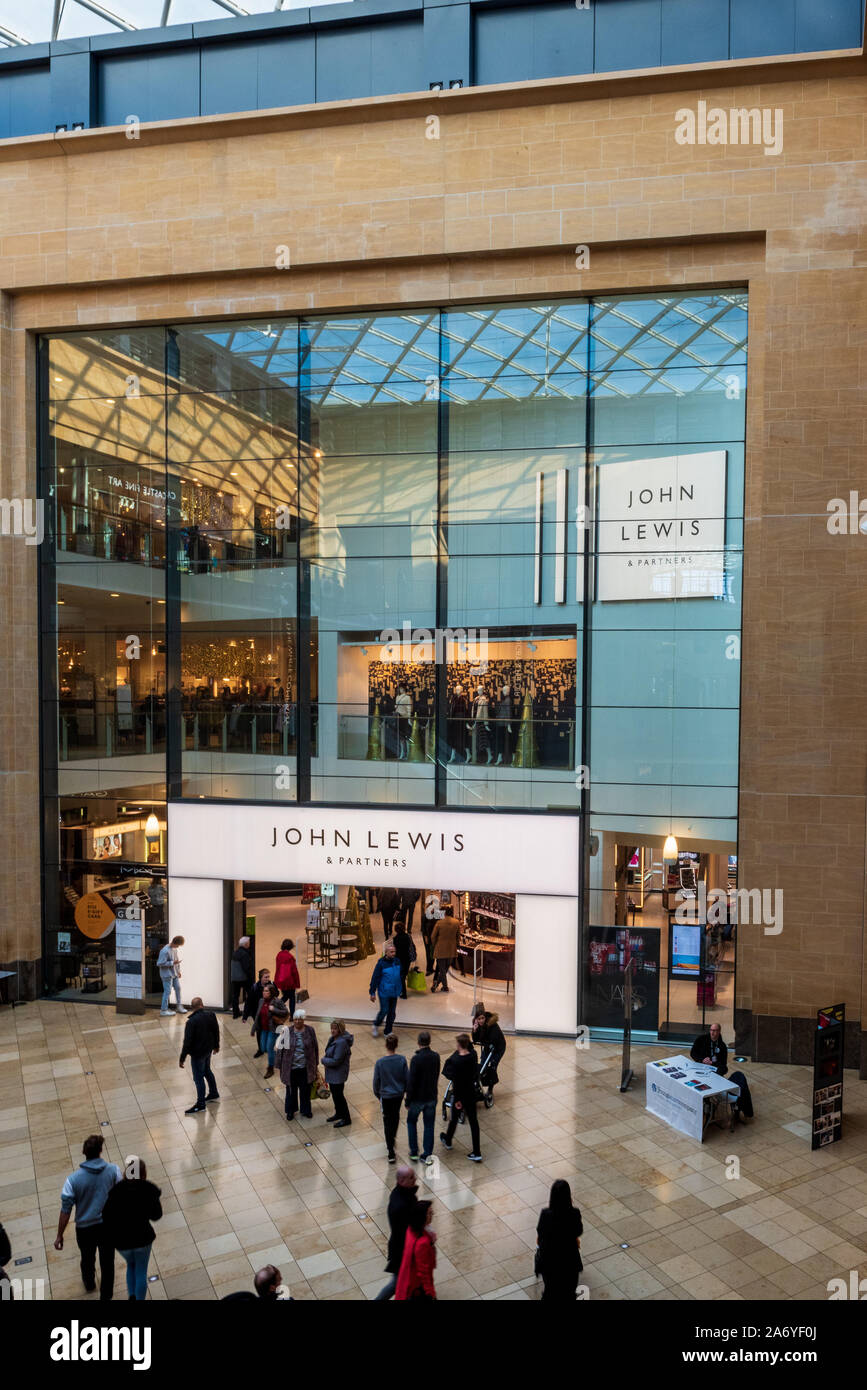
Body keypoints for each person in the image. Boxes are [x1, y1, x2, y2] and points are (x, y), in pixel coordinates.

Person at [54, 1134, 121, 1300]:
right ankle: (106, 1296)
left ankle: (89, 1282)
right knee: (107, 1263)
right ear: (100, 1151)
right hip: (107, 1226)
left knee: (87, 1258)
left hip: (85, 1229)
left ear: (84, 1152)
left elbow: (65, 1210)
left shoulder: (72, 1180)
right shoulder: (114, 1170)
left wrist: (59, 1235)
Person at [100, 1156, 163, 1301]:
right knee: (141, 1270)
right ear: (143, 1173)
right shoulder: (149, 1189)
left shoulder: (116, 1191)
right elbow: (156, 1216)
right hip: (143, 1238)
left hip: (122, 1242)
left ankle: (132, 1296)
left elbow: (107, 1216)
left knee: (131, 1265)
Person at [374, 1166, 419, 1301]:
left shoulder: (401, 1193)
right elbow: (408, 1228)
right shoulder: (402, 1205)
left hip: (401, 1246)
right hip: (402, 1249)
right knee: (396, 1283)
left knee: (404, 1280)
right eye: (411, 1177)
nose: (415, 1178)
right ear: (401, 1180)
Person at [535, 1179, 583, 1302]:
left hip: (549, 1262)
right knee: (569, 1293)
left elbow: (540, 1232)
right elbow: (578, 1231)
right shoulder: (574, 1213)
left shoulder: (545, 1214)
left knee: (550, 1292)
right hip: (569, 1262)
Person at [440, 1033, 482, 1162]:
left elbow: (456, 1082)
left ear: (458, 1044)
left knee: (454, 1118)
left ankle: (448, 1140)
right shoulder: (473, 1056)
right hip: (471, 1093)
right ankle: (477, 1151)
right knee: (474, 1122)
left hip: (460, 1094)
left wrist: (458, 1100)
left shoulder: (456, 1061)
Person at [179, 996, 220, 1113]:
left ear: (192, 1008)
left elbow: (187, 1042)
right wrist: (216, 1045)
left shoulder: (191, 1022)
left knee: (198, 1078)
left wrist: (182, 1058)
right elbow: (216, 1031)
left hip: (197, 1054)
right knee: (207, 1070)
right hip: (208, 1050)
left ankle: (201, 1104)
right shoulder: (211, 1015)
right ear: (202, 1004)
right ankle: (213, 1093)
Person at [277, 1008, 319, 1121]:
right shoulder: (287, 1031)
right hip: (290, 1068)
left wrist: (316, 1064)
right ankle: (290, 1111)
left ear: (303, 1020)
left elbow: (315, 1047)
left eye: (300, 1020)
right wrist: (278, 1065)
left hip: (305, 1067)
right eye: (295, 1019)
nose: (297, 1022)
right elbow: (280, 1049)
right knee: (291, 1091)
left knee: (305, 1090)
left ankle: (306, 1110)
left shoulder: (310, 1030)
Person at [405, 1030, 440, 1165]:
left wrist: (408, 1100)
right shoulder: (435, 1056)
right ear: (429, 1042)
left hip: (417, 1099)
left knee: (411, 1122)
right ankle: (427, 1155)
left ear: (418, 1042)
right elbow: (436, 1074)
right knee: (429, 1125)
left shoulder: (416, 1059)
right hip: (431, 1096)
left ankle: (414, 1151)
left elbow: (411, 1082)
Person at [373, 1033, 408, 1163]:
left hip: (386, 1096)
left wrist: (379, 1095)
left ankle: (390, 1150)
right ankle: (393, 1136)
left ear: (385, 1045)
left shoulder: (380, 1063)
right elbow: (406, 1079)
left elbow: (376, 1082)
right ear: (396, 1045)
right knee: (395, 1116)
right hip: (398, 1095)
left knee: (387, 1120)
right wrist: (404, 1091)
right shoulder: (402, 1060)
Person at [394, 1200, 437, 1301]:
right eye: (429, 1213)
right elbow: (423, 1270)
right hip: (416, 1286)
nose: (432, 1215)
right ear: (421, 1217)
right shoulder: (423, 1242)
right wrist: (430, 1291)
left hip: (408, 1279)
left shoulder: (411, 1229)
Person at [471, 1001, 507, 1100]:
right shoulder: (477, 1025)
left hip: (497, 1048)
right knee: (482, 1066)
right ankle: (479, 1084)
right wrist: (474, 1030)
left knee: (492, 1067)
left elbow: (493, 1041)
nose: (481, 1020)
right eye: (479, 1019)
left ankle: (490, 1089)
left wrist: (484, 1042)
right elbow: (476, 1040)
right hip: (488, 1047)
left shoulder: (492, 1025)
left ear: (485, 1017)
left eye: (483, 1018)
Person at [323, 1019, 354, 1128]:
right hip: (334, 1073)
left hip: (338, 1074)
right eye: (331, 1028)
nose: (332, 1030)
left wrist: (324, 1060)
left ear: (340, 1029)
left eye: (335, 1029)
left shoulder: (341, 1043)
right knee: (336, 1095)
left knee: (339, 1096)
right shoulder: (334, 1039)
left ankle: (346, 1118)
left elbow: (336, 1060)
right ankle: (339, 1113)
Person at [369, 941, 402, 1038]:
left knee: (392, 1013)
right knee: (384, 1010)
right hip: (384, 992)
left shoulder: (397, 961)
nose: (393, 954)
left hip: (394, 991)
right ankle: (376, 1024)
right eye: (391, 952)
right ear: (386, 952)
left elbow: (399, 975)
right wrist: (372, 992)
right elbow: (375, 978)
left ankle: (388, 1031)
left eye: (394, 952)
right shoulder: (381, 964)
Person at [257, 983, 284, 1079]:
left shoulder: (277, 1001)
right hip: (264, 1029)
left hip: (273, 1029)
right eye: (263, 991)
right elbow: (258, 1016)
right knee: (263, 1048)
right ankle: (278, 1056)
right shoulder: (261, 1001)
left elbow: (285, 1012)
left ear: (271, 992)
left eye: (266, 991)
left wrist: (274, 1009)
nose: (264, 992)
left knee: (269, 1048)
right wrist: (253, 1028)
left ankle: (270, 1068)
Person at [430, 908, 460, 993]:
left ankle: (443, 986)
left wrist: (435, 944)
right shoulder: (456, 922)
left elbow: (433, 936)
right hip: (451, 949)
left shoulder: (439, 923)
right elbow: (458, 936)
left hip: (440, 948)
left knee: (442, 968)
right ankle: (439, 984)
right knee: (445, 968)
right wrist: (456, 944)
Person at [157, 936, 186, 1017]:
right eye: (178, 945)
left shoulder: (174, 949)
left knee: (178, 988)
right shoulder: (164, 951)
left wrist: (178, 971)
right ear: (175, 943)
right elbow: (159, 964)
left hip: (174, 973)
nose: (178, 947)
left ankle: (179, 1006)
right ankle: (163, 1010)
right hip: (167, 975)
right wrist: (172, 963)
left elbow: (176, 960)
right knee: (167, 992)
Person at [246, 968, 273, 1056]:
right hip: (257, 1014)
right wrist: (245, 1015)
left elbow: (276, 996)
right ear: (261, 977)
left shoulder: (271, 985)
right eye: (266, 977)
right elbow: (249, 1001)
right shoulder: (255, 987)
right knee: (259, 1031)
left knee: (269, 1030)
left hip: (268, 1013)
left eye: (268, 977)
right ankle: (260, 1049)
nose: (267, 979)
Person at [274, 937, 300, 1016]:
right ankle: (291, 1015)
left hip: (281, 979)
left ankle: (276, 1007)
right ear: (291, 947)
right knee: (291, 998)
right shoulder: (290, 957)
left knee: (285, 995)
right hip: (289, 981)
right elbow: (294, 971)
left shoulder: (279, 955)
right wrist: (297, 982)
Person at [230, 935, 253, 1018]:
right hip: (244, 978)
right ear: (246, 944)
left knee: (235, 996)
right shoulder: (244, 954)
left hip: (234, 978)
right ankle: (248, 1011)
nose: (249, 944)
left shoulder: (235, 952)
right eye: (249, 943)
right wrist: (251, 977)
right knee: (250, 994)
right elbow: (246, 967)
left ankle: (235, 1013)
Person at [392, 918, 414, 999]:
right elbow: (411, 947)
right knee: (403, 975)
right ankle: (402, 991)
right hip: (407, 959)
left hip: (398, 960)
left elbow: (393, 951)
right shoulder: (408, 936)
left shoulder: (395, 939)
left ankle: (403, 993)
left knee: (401, 976)